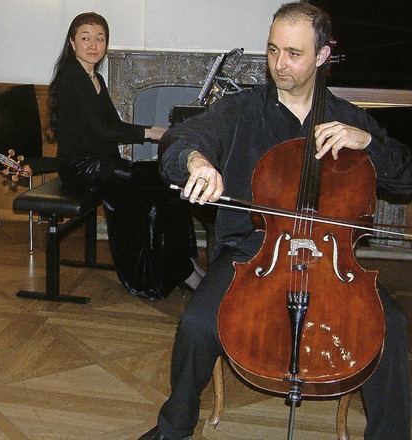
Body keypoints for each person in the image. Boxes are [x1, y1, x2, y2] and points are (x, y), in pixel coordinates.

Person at [139, 3, 412, 440]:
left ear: (322, 56)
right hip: (252, 253)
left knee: (390, 327)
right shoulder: (242, 109)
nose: (279, 64)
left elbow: (406, 174)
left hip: (332, 260)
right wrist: (195, 162)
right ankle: (174, 427)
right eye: (272, 51)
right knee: (196, 325)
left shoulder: (348, 116)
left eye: (293, 53)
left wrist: (369, 145)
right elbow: (180, 139)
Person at [49, 12, 204, 301]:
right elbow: (102, 132)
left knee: (167, 183)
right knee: (157, 187)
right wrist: (150, 133)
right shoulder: (71, 79)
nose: (93, 45)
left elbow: (114, 126)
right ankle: (173, 272)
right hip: (82, 170)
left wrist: (157, 131)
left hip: (102, 164)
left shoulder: (93, 78)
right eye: (85, 38)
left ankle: (182, 265)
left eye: (100, 38)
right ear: (72, 43)